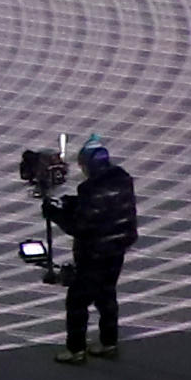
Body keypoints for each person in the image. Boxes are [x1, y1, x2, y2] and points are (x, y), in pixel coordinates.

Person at [50, 137, 140, 359]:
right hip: (117, 248)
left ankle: (75, 349)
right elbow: (106, 208)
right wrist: (76, 202)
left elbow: (79, 226)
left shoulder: (91, 189)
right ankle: (109, 342)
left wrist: (55, 214)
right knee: (106, 294)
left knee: (78, 300)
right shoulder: (122, 179)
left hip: (94, 253)